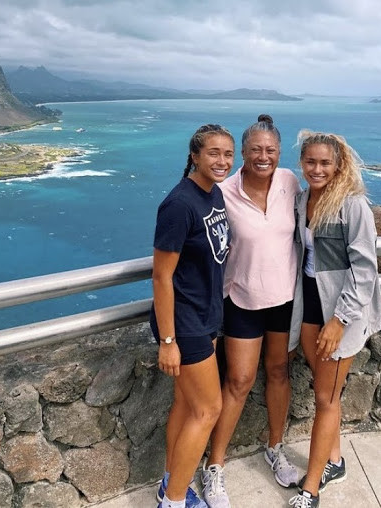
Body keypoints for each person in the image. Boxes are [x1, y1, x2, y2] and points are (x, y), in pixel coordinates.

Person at [201, 115, 301, 508]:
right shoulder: (223, 192)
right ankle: (215, 466)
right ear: (243, 153)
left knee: (278, 372)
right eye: (256, 150)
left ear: (279, 153)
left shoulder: (290, 182)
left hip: (285, 298)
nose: (264, 156)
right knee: (239, 381)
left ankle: (275, 447)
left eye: (271, 150)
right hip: (241, 298)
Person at [287, 130, 381, 508]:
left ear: (338, 164)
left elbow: (365, 270)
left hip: (342, 311)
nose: (317, 168)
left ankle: (311, 488)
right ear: (302, 163)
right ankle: (336, 461)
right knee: (326, 388)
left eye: (325, 162)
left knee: (325, 398)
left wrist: (339, 320)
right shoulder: (301, 200)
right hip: (311, 301)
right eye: (310, 161)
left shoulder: (352, 205)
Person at [150, 124, 235, 508]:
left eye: (228, 154)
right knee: (209, 409)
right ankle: (174, 500)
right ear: (195, 156)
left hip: (206, 316)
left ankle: (171, 481)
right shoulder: (179, 204)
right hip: (185, 324)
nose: (222, 161)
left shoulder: (212, 194)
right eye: (214, 153)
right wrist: (168, 342)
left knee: (186, 406)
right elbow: (161, 275)